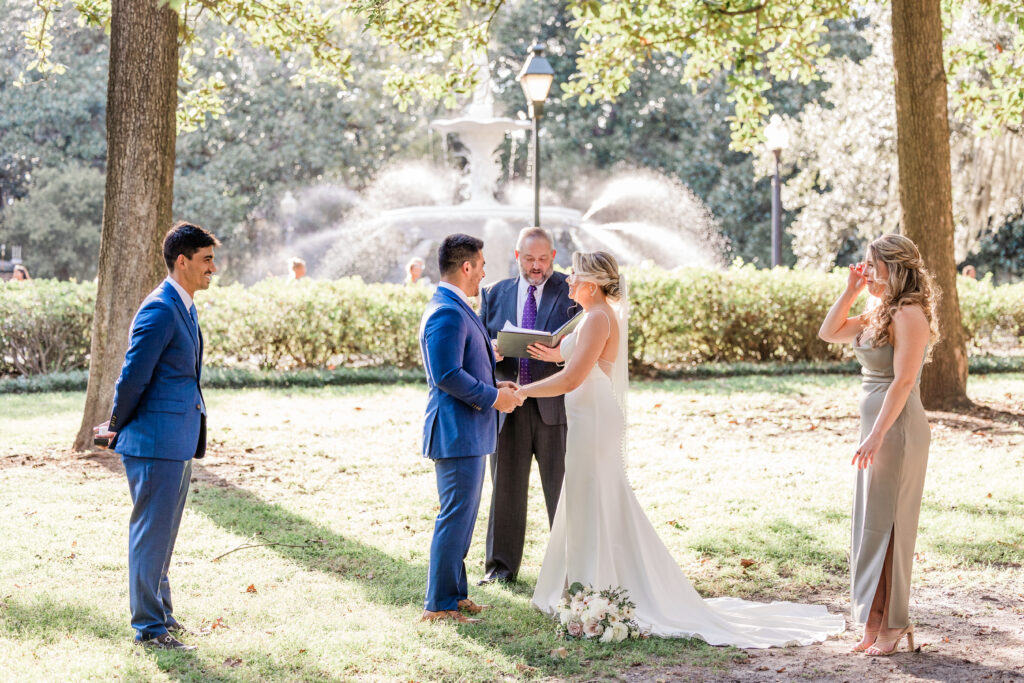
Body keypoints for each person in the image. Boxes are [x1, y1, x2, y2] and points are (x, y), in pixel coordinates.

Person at [517, 250, 845, 647]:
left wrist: (522, 392)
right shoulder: (595, 317)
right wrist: (557, 352)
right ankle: (586, 587)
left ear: (590, 283)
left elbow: (572, 379)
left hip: (594, 420)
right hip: (590, 418)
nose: (567, 280)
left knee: (594, 496)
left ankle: (594, 590)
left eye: (573, 276)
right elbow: (581, 362)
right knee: (591, 497)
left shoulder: (598, 318)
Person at [93, 222, 220, 650]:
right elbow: (132, 378)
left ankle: (161, 614)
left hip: (177, 440)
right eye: (206, 260)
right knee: (151, 535)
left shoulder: (184, 306)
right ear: (181, 261)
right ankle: (149, 630)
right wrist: (115, 424)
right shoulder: (160, 308)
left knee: (163, 535)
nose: (212, 268)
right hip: (153, 443)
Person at [819, 234, 936, 656]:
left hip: (897, 429)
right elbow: (829, 332)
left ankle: (891, 624)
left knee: (889, 526)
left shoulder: (908, 314)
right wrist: (850, 291)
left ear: (894, 267)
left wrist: (878, 433)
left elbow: (904, 381)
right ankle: (873, 621)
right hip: (878, 429)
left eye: (872, 265)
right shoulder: (878, 310)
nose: (865, 270)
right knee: (870, 524)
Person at [418, 233, 522, 623]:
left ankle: (455, 595)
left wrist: (496, 387)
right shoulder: (446, 311)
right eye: (481, 265)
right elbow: (446, 375)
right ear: (466, 267)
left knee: (462, 519)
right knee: (455, 518)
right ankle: (439, 605)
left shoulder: (455, 306)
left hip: (468, 430)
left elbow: (465, 367)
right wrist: (495, 399)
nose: (484, 273)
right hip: (457, 432)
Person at [477, 226, 577, 584]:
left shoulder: (571, 290)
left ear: (553, 256)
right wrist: (490, 349)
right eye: (530, 259)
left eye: (543, 258)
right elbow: (478, 344)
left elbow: (585, 344)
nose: (537, 266)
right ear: (517, 257)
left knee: (562, 491)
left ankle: (570, 570)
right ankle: (500, 569)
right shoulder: (494, 293)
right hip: (509, 405)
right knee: (505, 490)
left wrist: (560, 354)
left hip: (554, 407)